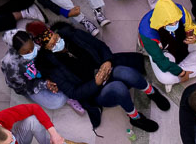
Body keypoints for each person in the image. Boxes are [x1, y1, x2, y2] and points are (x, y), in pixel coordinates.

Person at [30, 22, 165, 133]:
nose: (57, 44)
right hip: (96, 91)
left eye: (56, 39)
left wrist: (107, 61)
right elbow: (73, 92)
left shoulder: (74, 36)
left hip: (108, 69)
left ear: (57, 33)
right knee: (118, 88)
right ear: (47, 49)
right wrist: (96, 83)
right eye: (52, 45)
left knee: (125, 72)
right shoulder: (53, 68)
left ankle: (151, 92)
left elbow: (100, 46)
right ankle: (135, 118)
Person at [138, 0, 196, 92]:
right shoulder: (147, 33)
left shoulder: (179, 11)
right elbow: (160, 60)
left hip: (182, 42)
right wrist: (182, 73)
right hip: (164, 51)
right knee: (164, 78)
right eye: (170, 24)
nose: (174, 25)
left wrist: (194, 36)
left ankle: (177, 75)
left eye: (176, 22)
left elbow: (190, 26)